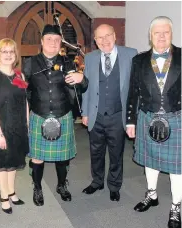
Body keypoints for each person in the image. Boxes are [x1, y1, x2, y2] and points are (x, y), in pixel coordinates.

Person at [23, 24, 88, 206]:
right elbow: (24, 92)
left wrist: (82, 78)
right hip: (39, 114)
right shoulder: (29, 63)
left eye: (57, 40)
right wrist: (27, 114)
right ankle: (37, 187)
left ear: (61, 43)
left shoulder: (69, 62)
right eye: (49, 39)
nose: (53, 42)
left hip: (63, 114)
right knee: (37, 156)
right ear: (42, 41)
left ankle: (61, 185)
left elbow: (82, 87)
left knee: (63, 156)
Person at [126, 16, 181, 228]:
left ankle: (176, 206)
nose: (161, 36)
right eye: (156, 32)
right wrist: (130, 121)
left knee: (178, 167)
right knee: (150, 161)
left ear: (171, 34)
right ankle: (152, 194)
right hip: (147, 116)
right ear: (150, 36)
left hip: (176, 117)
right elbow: (133, 93)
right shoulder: (138, 60)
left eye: (165, 32)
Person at [81, 24, 137, 201]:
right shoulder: (89, 58)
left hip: (117, 114)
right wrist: (85, 112)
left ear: (115, 36)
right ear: (95, 41)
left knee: (116, 153)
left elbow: (135, 88)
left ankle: (114, 185)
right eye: (100, 38)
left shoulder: (130, 54)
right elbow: (86, 88)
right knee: (95, 151)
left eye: (108, 36)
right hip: (95, 114)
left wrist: (132, 118)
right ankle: (97, 181)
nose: (104, 40)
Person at [0, 38, 29, 214]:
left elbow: (24, 102)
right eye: (4, 51)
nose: (8, 55)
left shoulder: (20, 75)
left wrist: (25, 124)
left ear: (15, 54)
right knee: (2, 163)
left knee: (14, 161)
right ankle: (3, 196)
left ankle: (12, 191)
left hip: (17, 127)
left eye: (11, 51)